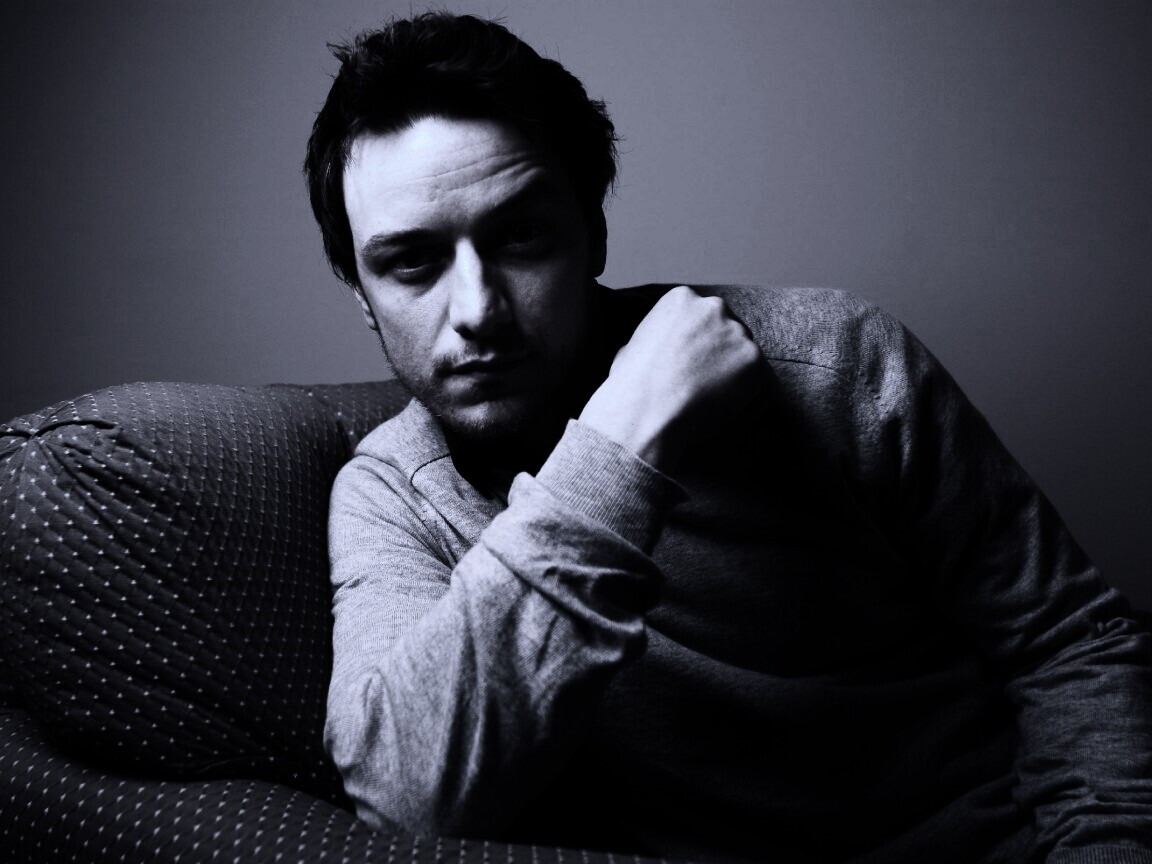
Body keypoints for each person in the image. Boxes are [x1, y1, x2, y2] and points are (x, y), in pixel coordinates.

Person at [304, 12, 1152, 864]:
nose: (479, 311)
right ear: (361, 296)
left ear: (593, 231)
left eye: (521, 236)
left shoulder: (833, 362)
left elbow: (1070, 643)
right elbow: (407, 797)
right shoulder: (394, 496)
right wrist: (619, 450)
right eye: (411, 263)